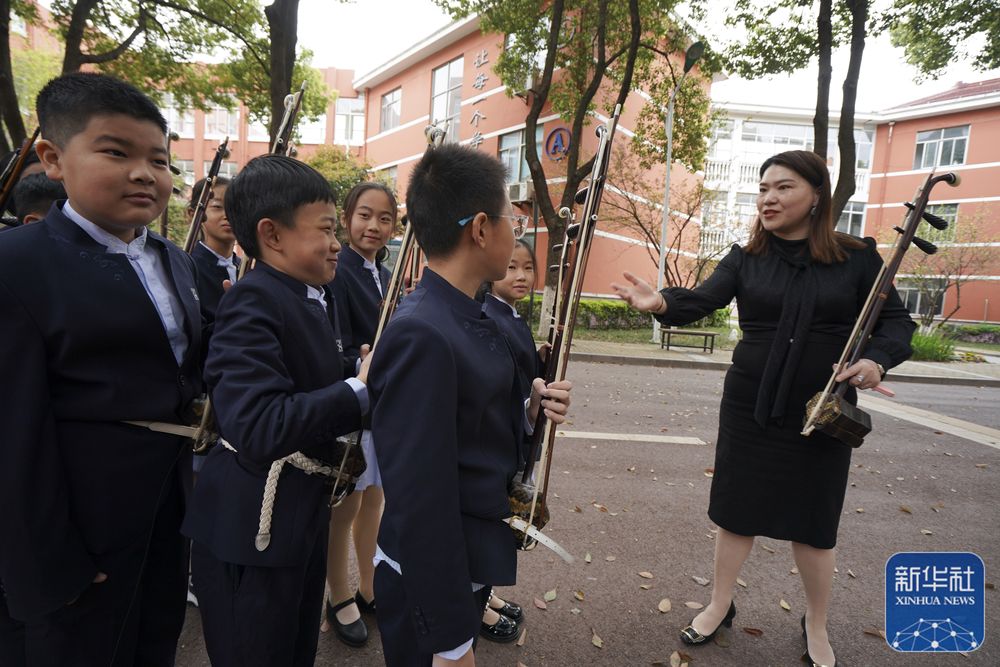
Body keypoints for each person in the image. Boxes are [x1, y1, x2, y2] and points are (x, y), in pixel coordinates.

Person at [613, 150, 916, 667]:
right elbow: (701, 300)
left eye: (784, 187)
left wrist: (876, 362)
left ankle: (815, 623)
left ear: (816, 194)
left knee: (815, 525)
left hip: (821, 411)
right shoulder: (746, 257)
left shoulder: (858, 257)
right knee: (736, 513)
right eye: (763, 188)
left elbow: (897, 325)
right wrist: (660, 304)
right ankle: (719, 604)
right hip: (749, 406)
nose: (768, 199)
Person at [0, 71, 204, 666]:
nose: (145, 173)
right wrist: (47, 567)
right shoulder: (18, 265)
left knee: (153, 646)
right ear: (53, 158)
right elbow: (13, 436)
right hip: (74, 540)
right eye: (116, 152)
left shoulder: (173, 259)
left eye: (159, 160)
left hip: (166, 520)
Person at [368, 143, 573, 666]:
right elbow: (419, 497)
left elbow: (473, 429)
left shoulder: (469, 312)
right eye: (510, 216)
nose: (515, 228)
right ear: (481, 228)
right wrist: (451, 637)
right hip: (431, 575)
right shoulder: (423, 331)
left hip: (468, 552)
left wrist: (529, 413)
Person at [181, 154, 370, 667]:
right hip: (252, 528)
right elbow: (260, 424)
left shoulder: (312, 297)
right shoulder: (253, 301)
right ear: (273, 235)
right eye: (327, 229)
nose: (337, 243)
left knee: (293, 649)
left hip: (297, 517)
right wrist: (358, 389)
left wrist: (364, 373)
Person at [321, 182, 396, 647]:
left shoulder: (384, 274)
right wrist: (361, 362)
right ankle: (339, 593)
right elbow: (337, 345)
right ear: (347, 217)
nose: (374, 226)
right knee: (344, 506)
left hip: (385, 403)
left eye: (385, 218)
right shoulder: (338, 272)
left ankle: (369, 585)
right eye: (365, 215)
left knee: (375, 501)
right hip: (353, 399)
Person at [476, 238, 546, 641]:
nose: (520, 276)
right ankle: (479, 602)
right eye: (512, 267)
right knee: (491, 525)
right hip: (504, 435)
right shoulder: (490, 316)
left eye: (527, 268)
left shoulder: (512, 316)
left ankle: (486, 594)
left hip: (516, 433)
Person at [188, 175, 239, 323]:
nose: (228, 215)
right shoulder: (187, 267)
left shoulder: (244, 268)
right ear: (194, 214)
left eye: (235, 208)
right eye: (217, 207)